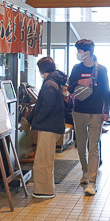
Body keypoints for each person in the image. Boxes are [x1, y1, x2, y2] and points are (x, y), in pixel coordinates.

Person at [68, 39, 110, 197]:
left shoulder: (101, 69)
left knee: (93, 147)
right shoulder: (76, 68)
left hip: (96, 113)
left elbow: (106, 90)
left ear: (88, 53)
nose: (78, 53)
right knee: (80, 146)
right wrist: (79, 81)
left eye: (79, 50)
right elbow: (69, 86)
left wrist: (107, 110)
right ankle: (85, 172)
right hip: (78, 112)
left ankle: (92, 182)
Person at [29, 57, 67, 199]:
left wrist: (36, 121)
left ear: (41, 70)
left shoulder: (50, 84)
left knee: (43, 160)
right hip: (52, 125)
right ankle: (45, 188)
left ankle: (44, 191)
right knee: (45, 158)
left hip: (49, 126)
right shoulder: (53, 81)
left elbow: (46, 106)